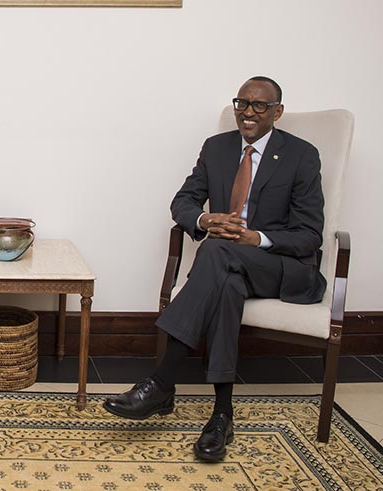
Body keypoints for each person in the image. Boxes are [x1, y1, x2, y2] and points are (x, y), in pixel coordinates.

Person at [103, 76, 326, 462]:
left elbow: (310, 236)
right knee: (224, 277)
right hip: (230, 266)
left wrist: (257, 238)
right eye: (242, 103)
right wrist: (206, 223)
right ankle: (221, 417)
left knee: (216, 254)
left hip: (283, 267)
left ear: (278, 112)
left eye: (259, 105)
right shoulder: (217, 148)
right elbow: (184, 201)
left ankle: (161, 383)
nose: (248, 112)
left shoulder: (302, 155)